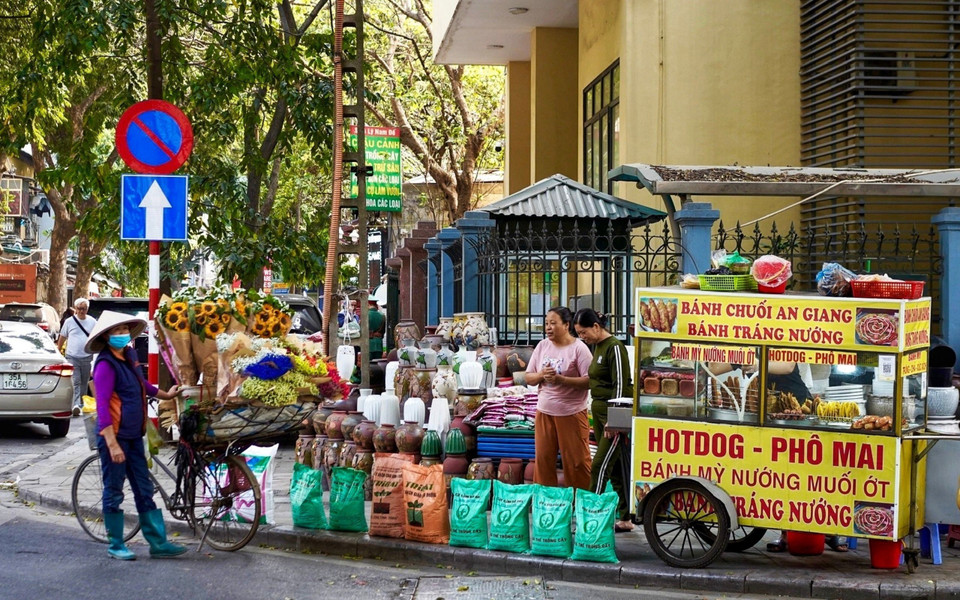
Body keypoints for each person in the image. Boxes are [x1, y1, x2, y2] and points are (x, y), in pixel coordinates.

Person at [706, 358, 846, 553]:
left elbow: (787, 366)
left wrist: (755, 364)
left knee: (805, 475)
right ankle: (786, 535)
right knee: (781, 474)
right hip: (772, 414)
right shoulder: (749, 348)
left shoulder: (779, 340)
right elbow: (714, 368)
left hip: (798, 411)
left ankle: (828, 532)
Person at [87, 311, 186, 560]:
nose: (121, 335)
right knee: (114, 490)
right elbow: (102, 406)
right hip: (115, 438)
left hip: (133, 436)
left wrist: (167, 394)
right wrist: (111, 444)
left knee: (144, 488)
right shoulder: (105, 365)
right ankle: (116, 544)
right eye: (116, 332)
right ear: (107, 337)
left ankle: (158, 543)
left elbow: (143, 385)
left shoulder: (129, 357)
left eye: (124, 331)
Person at [573, 308, 635, 532]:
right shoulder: (597, 347)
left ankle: (590, 516)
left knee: (599, 465)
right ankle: (625, 517)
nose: (582, 337)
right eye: (579, 333)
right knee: (616, 466)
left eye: (584, 332)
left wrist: (615, 420)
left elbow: (620, 384)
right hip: (599, 413)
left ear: (596, 327)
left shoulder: (614, 347)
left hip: (613, 415)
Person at [525, 306, 593, 490]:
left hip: (571, 413)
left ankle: (582, 502)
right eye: (546, 323)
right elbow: (528, 377)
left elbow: (589, 381)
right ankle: (546, 505)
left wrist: (561, 379)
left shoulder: (579, 349)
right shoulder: (542, 346)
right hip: (545, 412)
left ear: (566, 325)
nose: (548, 327)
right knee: (544, 460)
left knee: (577, 462)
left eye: (553, 323)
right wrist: (542, 376)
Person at [57, 298, 97, 417]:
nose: (81, 311)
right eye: (79, 308)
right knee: (76, 381)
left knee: (84, 382)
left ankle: (81, 404)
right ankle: (75, 405)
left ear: (87, 309)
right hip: (72, 356)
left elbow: (96, 338)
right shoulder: (69, 321)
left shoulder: (92, 322)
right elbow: (62, 337)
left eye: (84, 309)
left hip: (87, 356)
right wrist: (58, 350)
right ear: (76, 309)